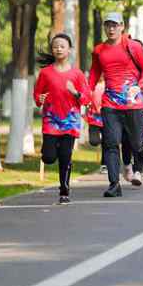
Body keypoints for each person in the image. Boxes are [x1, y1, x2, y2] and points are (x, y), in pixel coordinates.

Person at [89, 12, 143, 198]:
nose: (111, 29)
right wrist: (87, 94)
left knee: (136, 143)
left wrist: (140, 86)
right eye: (108, 25)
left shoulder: (132, 46)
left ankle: (139, 162)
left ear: (122, 26)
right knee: (110, 143)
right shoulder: (99, 50)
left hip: (133, 104)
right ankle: (113, 184)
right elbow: (94, 73)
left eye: (115, 25)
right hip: (110, 103)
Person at [34, 34, 92, 204]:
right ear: (52, 50)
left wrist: (75, 92)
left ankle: (64, 190)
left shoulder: (77, 74)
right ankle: (50, 153)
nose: (58, 49)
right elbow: (37, 94)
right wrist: (40, 99)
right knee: (49, 157)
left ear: (69, 50)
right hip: (51, 121)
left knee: (66, 156)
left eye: (62, 46)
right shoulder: (45, 73)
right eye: (55, 46)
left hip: (70, 121)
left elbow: (86, 98)